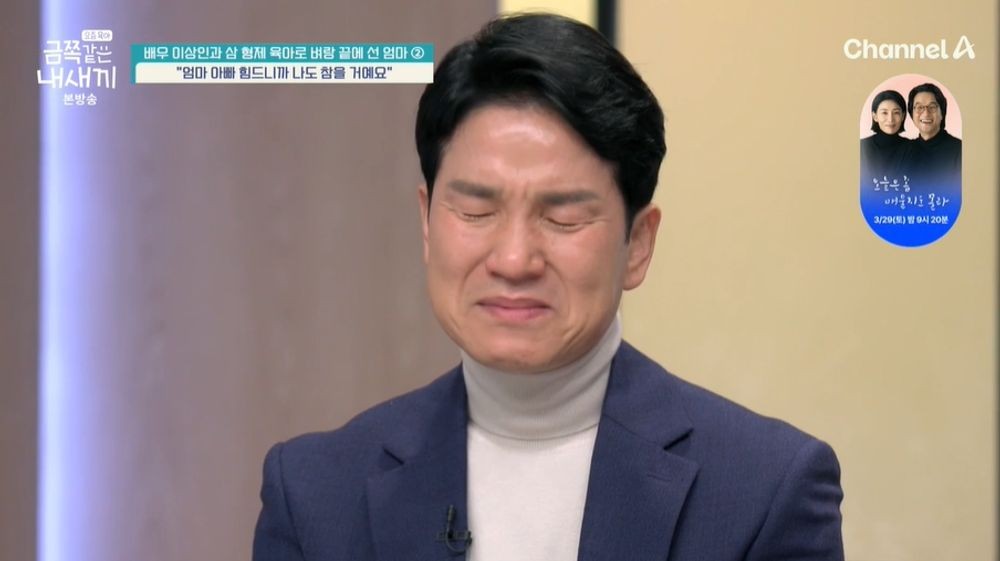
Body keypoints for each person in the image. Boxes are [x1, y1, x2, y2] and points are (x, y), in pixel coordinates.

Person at [252, 13, 844, 561]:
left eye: (563, 217)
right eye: (476, 211)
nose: (514, 260)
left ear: (638, 243)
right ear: (427, 222)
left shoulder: (765, 490)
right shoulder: (314, 494)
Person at [905, 82, 961, 188]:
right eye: (919, 107)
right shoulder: (904, 150)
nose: (926, 113)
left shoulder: (959, 150)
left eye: (932, 107)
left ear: (942, 113)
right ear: (912, 114)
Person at [860, 89, 910, 180]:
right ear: (875, 116)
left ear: (903, 116)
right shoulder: (862, 147)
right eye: (884, 113)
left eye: (896, 113)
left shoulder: (912, 148)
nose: (890, 119)